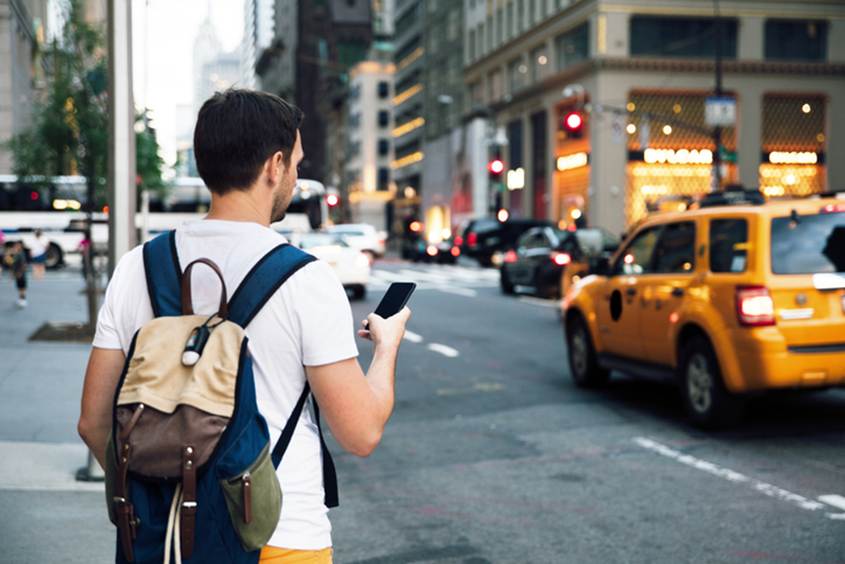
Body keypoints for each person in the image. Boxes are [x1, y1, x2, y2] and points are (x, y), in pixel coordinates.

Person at [78, 89, 410, 563]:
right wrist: (387, 347)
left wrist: (152, 498)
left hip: (160, 540)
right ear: (274, 166)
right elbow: (361, 433)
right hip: (280, 538)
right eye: (296, 162)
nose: (296, 177)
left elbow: (93, 422)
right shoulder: (306, 279)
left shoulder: (137, 268)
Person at [8, 242, 28, 308]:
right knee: (19, 287)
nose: (15, 247)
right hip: (17, 274)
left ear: (20, 247)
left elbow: (23, 265)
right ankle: (20, 300)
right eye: (15, 246)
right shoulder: (16, 254)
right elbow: (10, 263)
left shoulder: (21, 254)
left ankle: (23, 300)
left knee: (22, 288)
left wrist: (20, 273)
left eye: (17, 246)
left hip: (21, 274)